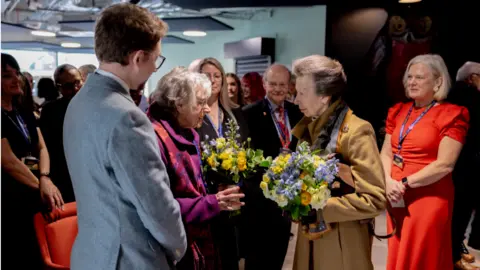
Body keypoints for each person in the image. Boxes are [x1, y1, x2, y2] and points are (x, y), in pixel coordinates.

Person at [62, 4, 186, 270]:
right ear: (138, 58)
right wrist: (179, 247)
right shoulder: (127, 117)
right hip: (130, 258)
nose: (155, 68)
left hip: (90, 254)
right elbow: (156, 206)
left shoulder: (78, 102)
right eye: (156, 59)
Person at [291, 55, 386, 270]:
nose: (296, 100)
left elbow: (375, 199)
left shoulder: (356, 131)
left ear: (324, 96)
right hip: (309, 240)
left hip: (342, 244)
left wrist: (321, 207)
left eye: (302, 93)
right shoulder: (308, 129)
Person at [148, 67, 245, 269]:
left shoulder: (189, 131)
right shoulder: (154, 138)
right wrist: (212, 203)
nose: (207, 109)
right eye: (200, 103)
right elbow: (161, 207)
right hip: (171, 248)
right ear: (178, 103)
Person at [381, 54, 469, 270]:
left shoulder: (452, 114)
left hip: (429, 198)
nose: (411, 81)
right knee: (398, 251)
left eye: (419, 77)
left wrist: (404, 182)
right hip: (396, 194)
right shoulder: (398, 111)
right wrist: (388, 182)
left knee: (423, 255)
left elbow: (445, 165)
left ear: (438, 82)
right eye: (409, 76)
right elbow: (385, 154)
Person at [1, 53, 64, 269]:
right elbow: (7, 161)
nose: (15, 79)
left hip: (34, 191)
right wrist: (41, 187)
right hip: (10, 201)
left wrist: (45, 178)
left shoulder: (22, 111)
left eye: (16, 74)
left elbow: (42, 147)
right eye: (6, 76)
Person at [241, 64, 303, 270]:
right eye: (273, 84)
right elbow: (246, 157)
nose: (278, 89)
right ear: (264, 84)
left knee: (278, 256)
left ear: (290, 87)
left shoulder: (298, 113)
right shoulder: (248, 113)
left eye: (282, 84)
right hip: (259, 198)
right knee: (257, 260)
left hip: (286, 198)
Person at [196, 57, 249, 270]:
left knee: (231, 259)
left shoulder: (235, 114)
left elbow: (246, 153)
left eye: (217, 75)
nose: (213, 80)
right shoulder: (193, 114)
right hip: (206, 198)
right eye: (207, 76)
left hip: (235, 197)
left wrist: (238, 184)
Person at [449, 61, 480, 270]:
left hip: (460, 162)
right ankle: (453, 257)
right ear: (472, 78)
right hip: (467, 163)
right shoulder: (470, 97)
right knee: (460, 212)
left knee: (458, 211)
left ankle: (456, 250)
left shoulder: (455, 95)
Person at [40, 64, 83, 203]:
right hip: (63, 177)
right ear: (59, 87)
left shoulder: (94, 106)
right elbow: (46, 147)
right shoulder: (50, 111)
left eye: (77, 82)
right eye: (69, 86)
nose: (75, 89)